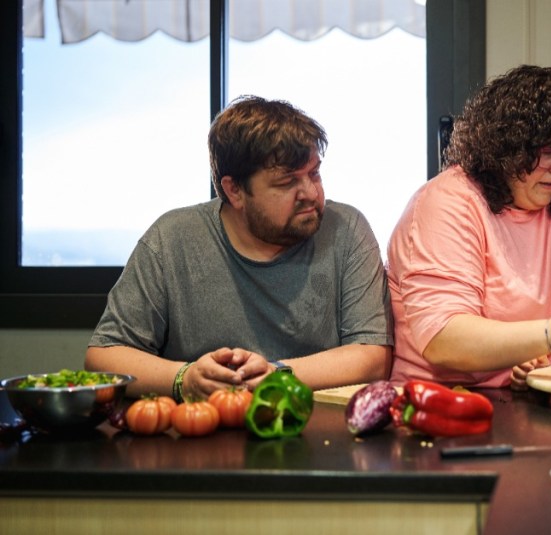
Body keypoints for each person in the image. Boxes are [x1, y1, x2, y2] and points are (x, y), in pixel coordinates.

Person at [85, 95, 393, 400]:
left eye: (314, 173)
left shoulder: (346, 229)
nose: (310, 193)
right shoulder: (171, 240)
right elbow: (103, 358)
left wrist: (274, 375)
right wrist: (184, 378)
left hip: (313, 428)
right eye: (287, 182)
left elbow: (372, 357)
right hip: (198, 427)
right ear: (235, 191)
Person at [387, 65, 551, 389]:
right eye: (548, 153)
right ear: (507, 147)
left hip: (549, 391)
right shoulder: (448, 202)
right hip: (452, 400)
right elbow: (444, 339)